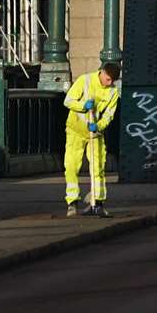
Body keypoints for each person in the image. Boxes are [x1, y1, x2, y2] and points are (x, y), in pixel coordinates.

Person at [62, 62, 121, 217]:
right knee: (71, 166)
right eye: (107, 79)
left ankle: (97, 202)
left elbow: (109, 114)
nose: (109, 83)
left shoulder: (113, 92)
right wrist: (83, 105)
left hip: (95, 133)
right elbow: (68, 101)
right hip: (75, 130)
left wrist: (99, 126)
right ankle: (72, 201)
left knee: (98, 167)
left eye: (112, 81)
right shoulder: (85, 80)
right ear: (101, 72)